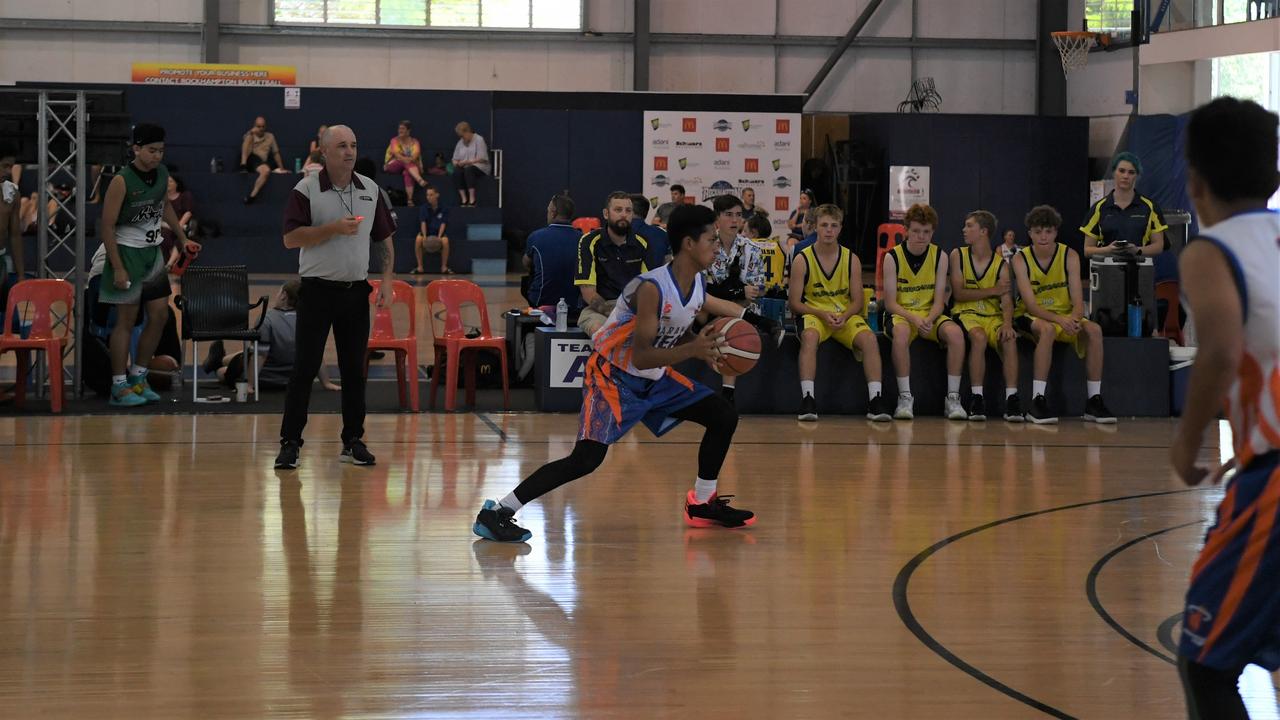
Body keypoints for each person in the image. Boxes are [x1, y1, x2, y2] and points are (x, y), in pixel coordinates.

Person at [472, 204, 778, 543]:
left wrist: (700, 345)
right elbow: (643, 355)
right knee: (585, 460)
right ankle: (497, 512)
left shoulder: (695, 285)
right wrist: (694, 350)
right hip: (613, 376)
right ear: (689, 244)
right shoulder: (651, 288)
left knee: (722, 415)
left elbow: (674, 331)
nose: (717, 246)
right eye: (710, 239)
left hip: (652, 376)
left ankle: (702, 502)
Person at [1170, 96, 1280, 720]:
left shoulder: (1211, 250)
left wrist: (1186, 449)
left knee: (1205, 660)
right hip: (1266, 463)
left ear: (1194, 183)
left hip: (1275, 485)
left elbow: (1218, 348)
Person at [275, 124, 397, 470]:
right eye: (341, 145)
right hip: (316, 291)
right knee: (305, 368)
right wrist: (332, 229)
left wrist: (386, 279)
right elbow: (290, 239)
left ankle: (353, 439)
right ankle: (290, 442)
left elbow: (384, 238)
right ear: (324, 152)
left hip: (355, 292)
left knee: (354, 370)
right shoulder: (306, 189)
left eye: (354, 145)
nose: (349, 151)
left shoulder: (370, 189)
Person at [99, 124, 200, 407]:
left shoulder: (162, 173)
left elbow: (164, 207)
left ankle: (138, 377)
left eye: (161, 151)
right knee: (126, 322)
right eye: (152, 150)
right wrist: (117, 266)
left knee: (159, 316)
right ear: (136, 149)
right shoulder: (121, 180)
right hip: (127, 253)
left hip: (151, 254)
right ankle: (118, 386)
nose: (157, 156)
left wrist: (182, 239)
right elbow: (106, 226)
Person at [1011, 205, 1115, 424]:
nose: (1043, 237)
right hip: (1030, 316)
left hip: (1065, 315)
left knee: (1094, 330)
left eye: (1048, 231)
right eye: (1038, 232)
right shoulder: (1020, 259)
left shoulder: (1070, 255)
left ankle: (1093, 401)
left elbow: (1078, 300)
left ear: (1056, 232)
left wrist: (1075, 319)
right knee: (1047, 330)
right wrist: (1061, 320)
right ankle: (1037, 401)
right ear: (1030, 233)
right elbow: (1030, 306)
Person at [789, 204, 889, 423]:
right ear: (815, 226)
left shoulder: (851, 259)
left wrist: (844, 315)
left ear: (840, 229)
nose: (829, 230)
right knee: (809, 336)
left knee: (870, 339)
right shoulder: (802, 259)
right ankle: (807, 398)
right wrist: (822, 314)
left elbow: (858, 300)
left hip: (843, 315)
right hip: (815, 314)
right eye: (824, 225)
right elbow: (794, 303)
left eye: (834, 225)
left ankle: (875, 400)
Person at [882, 203, 965, 421]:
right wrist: (915, 319)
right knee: (900, 334)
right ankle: (905, 398)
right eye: (916, 231)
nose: (921, 236)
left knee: (956, 334)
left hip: (930, 315)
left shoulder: (940, 256)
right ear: (906, 230)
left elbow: (940, 301)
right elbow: (890, 303)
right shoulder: (892, 257)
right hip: (902, 314)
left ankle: (953, 399)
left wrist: (927, 319)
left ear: (932, 232)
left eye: (926, 232)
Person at [949, 211, 1022, 422]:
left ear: (983, 231)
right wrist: (992, 290)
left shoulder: (1001, 264)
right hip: (966, 312)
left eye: (969, 226)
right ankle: (977, 397)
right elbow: (959, 294)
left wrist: (1007, 323)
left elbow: (1006, 299)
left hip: (992, 315)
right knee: (978, 338)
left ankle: (1012, 400)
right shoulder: (958, 255)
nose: (964, 229)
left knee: (1009, 339)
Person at [204, 280, 339, 393]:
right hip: (294, 379)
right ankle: (220, 358)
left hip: (265, 378)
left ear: (284, 296)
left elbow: (260, 355)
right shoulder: (309, 320)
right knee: (253, 350)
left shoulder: (267, 319)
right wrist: (326, 383)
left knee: (223, 372)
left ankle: (218, 362)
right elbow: (316, 354)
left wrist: (250, 385)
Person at [574, 191, 651, 338]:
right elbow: (588, 293)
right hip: (597, 309)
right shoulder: (589, 241)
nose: (623, 214)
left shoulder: (643, 243)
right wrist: (617, 316)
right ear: (606, 214)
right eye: (618, 210)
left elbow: (648, 288)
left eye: (628, 211)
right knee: (602, 331)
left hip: (632, 309)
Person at [1080, 151, 1168, 258]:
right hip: (1107, 269)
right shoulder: (1099, 208)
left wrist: (1137, 250)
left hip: (1140, 268)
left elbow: (1159, 246)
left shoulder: (1150, 207)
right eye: (1121, 171)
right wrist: (1108, 250)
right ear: (1114, 173)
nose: (1126, 176)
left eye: (1131, 172)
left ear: (1137, 176)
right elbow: (1087, 250)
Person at [523, 192, 580, 309]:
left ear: (553, 212)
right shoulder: (583, 238)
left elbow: (526, 264)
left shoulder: (536, 237)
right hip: (575, 302)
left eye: (548, 210)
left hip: (542, 301)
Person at [0, 144, 23, 331]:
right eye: (5, 166)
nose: (8, 172)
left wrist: (21, 274)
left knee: (10, 326)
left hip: (1, 261)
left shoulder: (11, 193)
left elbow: (15, 236)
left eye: (11, 167)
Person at [240, 116, 287, 205]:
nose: (261, 129)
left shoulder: (270, 136)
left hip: (260, 162)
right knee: (248, 138)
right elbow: (244, 145)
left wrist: (281, 168)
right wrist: (251, 132)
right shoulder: (250, 134)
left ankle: (252, 196)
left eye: (263, 126)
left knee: (266, 171)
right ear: (254, 126)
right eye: (258, 126)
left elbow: (276, 153)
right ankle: (243, 165)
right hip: (250, 158)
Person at [383, 120, 428, 206]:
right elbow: (397, 154)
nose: (400, 130)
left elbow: (416, 154)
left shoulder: (415, 142)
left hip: (410, 167)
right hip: (392, 165)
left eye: (403, 129)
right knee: (403, 161)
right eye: (399, 128)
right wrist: (407, 159)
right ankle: (419, 179)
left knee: (407, 172)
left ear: (408, 131)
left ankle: (410, 200)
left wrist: (408, 160)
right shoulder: (394, 140)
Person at [159, 174, 196, 271]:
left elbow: (188, 213)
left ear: (177, 184)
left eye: (170, 181)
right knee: (163, 235)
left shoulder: (185, 195)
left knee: (181, 237)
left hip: (181, 225)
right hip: (165, 226)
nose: (168, 184)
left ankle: (170, 264)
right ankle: (171, 263)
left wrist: (178, 227)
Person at [412, 186, 450, 274]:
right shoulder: (424, 208)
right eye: (427, 195)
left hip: (438, 233)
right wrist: (424, 236)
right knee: (418, 240)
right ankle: (420, 267)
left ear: (437, 195)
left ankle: (444, 267)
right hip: (427, 232)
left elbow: (443, 223)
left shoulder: (444, 208)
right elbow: (423, 223)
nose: (429, 197)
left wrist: (439, 237)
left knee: (445, 241)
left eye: (431, 195)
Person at [451, 121, 490, 207]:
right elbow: (454, 159)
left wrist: (468, 162)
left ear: (468, 131)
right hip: (465, 166)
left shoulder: (479, 140)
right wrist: (456, 163)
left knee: (469, 170)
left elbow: (483, 159)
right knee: (457, 172)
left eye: (462, 135)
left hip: (480, 166)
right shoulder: (460, 143)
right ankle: (464, 199)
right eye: (460, 136)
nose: (462, 138)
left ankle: (472, 199)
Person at [629, 193, 670, 267]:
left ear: (630, 211)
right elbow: (668, 264)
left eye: (624, 209)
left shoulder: (620, 234)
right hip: (657, 277)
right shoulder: (662, 234)